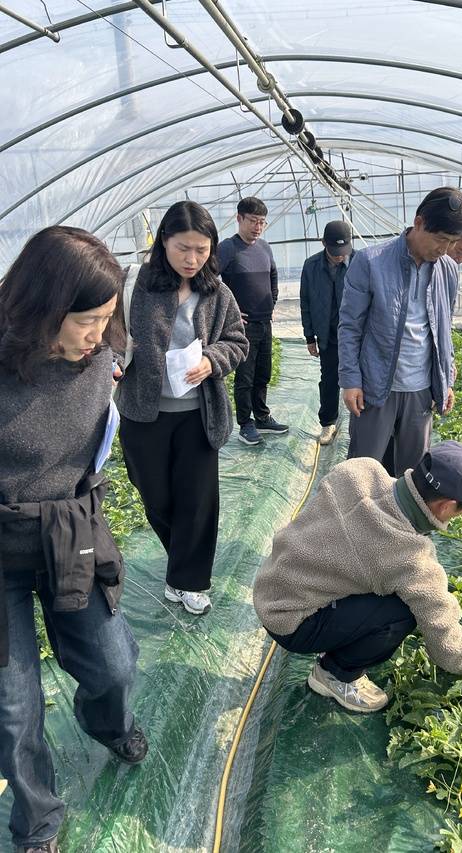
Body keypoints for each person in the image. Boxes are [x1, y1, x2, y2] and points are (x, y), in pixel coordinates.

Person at [0, 226, 147, 853]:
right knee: (13, 706)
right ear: (43, 310)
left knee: (115, 664)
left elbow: (123, 355)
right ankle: (37, 824)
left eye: (108, 318)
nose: (99, 334)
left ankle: (108, 724)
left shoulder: (106, 350)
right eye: (87, 321)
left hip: (71, 528)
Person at [253, 440, 462, 713]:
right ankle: (335, 674)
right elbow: (448, 649)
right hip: (290, 621)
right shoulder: (410, 557)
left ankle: (334, 637)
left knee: (388, 589)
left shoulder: (360, 469)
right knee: (403, 610)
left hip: (270, 585)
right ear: (445, 506)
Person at [116, 201, 248, 616]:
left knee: (197, 500)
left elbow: (238, 341)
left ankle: (190, 581)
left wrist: (213, 359)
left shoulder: (217, 293)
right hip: (144, 414)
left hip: (198, 414)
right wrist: (115, 362)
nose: (192, 259)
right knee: (154, 494)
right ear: (163, 244)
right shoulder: (136, 287)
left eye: (202, 250)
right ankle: (182, 562)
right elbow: (110, 335)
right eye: (182, 248)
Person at [339, 186, 462, 476]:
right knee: (363, 471)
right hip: (377, 386)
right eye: (440, 239)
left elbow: (443, 326)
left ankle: (401, 523)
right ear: (419, 223)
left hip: (421, 390)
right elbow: (350, 327)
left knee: (413, 475)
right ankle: (361, 520)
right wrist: (350, 380)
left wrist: (446, 376)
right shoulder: (370, 262)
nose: (445, 249)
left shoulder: (448, 269)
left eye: (452, 242)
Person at [380, 207, 462, 474]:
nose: (458, 257)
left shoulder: (448, 272)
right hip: (387, 384)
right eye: (457, 249)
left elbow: (442, 325)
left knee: (409, 457)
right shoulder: (395, 265)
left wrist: (446, 370)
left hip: (419, 384)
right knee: (379, 457)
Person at [217, 197, 289, 446]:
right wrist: (231, 312)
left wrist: (271, 302)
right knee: (245, 377)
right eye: (253, 221)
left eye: (262, 222)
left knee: (263, 373)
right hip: (242, 327)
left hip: (264, 322)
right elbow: (209, 281)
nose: (258, 227)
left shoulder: (265, 248)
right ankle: (245, 424)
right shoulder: (227, 248)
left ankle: (262, 417)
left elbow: (273, 276)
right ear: (239, 219)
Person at [300, 221, 354, 446]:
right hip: (328, 334)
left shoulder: (359, 262)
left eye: (344, 252)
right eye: (335, 253)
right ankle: (328, 423)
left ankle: (361, 424)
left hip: (356, 335)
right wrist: (309, 337)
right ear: (324, 244)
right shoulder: (311, 266)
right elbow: (306, 302)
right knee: (329, 378)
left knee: (361, 379)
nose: (340, 257)